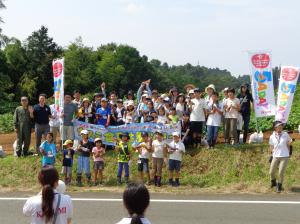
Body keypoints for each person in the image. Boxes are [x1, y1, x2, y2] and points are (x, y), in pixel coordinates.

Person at [269, 121, 293, 193]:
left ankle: (279, 186)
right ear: (275, 128)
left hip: (284, 155)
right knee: (271, 172)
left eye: (281, 126)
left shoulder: (285, 134)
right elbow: (271, 146)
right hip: (275, 156)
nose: (280, 127)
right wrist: (271, 154)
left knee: (281, 172)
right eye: (279, 126)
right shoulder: (272, 136)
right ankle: (273, 182)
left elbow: (289, 142)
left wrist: (290, 143)